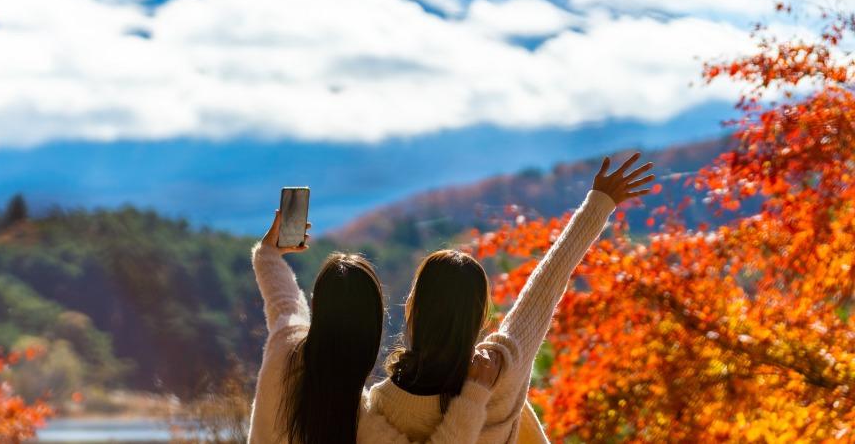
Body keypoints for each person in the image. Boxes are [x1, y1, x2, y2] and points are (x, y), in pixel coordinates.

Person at [365, 153, 655, 443]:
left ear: (415, 307)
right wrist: (600, 202)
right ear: (480, 315)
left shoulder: (384, 405)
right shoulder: (501, 369)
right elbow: (547, 283)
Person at [248, 208, 504, 444]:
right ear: (374, 331)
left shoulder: (285, 342)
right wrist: (475, 395)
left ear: (316, 306)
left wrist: (268, 252)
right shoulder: (361, 422)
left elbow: (283, 299)